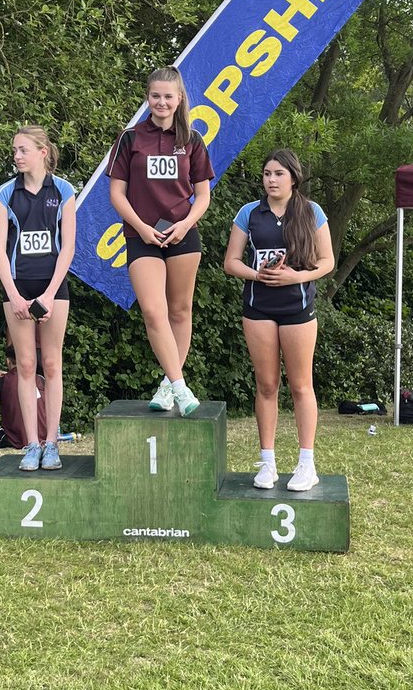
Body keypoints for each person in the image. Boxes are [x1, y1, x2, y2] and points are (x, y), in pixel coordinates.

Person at [223, 149, 334, 492]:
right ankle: (267, 463)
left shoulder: (311, 212)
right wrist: (258, 274)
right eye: (267, 173)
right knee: (267, 385)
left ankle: (306, 463)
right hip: (258, 309)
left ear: (293, 178)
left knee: (301, 385)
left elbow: (327, 261)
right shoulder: (248, 213)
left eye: (278, 174)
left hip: (298, 310)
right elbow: (231, 262)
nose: (271, 180)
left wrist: (295, 277)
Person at [107, 66, 214, 417]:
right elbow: (117, 193)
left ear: (179, 98)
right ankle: (181, 386)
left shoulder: (193, 141)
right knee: (154, 312)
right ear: (147, 97)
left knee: (180, 311)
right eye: (156, 96)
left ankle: (168, 387)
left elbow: (202, 196)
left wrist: (185, 224)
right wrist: (140, 225)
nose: (162, 102)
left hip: (182, 234)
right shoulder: (130, 138)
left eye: (169, 96)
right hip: (141, 236)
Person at [0, 126, 75, 470]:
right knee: (26, 366)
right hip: (18, 288)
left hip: (53, 287)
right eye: (14, 151)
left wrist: (50, 293)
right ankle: (30, 444)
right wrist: (14, 295)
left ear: (43, 152)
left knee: (52, 364)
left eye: (23, 150)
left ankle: (52, 443)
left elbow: (68, 246)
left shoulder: (64, 190)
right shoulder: (5, 193)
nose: (16, 156)